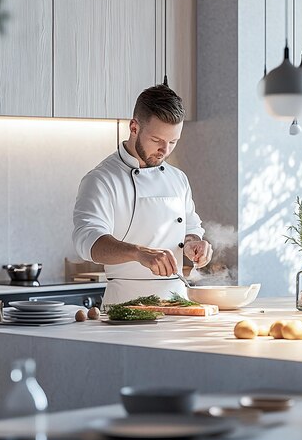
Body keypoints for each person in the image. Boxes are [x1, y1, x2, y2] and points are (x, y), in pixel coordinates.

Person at [72, 84, 213, 305]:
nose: (165, 151)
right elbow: (87, 242)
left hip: (178, 302)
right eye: (157, 141)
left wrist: (194, 243)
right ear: (134, 127)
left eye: (173, 142)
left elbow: (190, 228)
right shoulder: (101, 179)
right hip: (125, 306)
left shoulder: (178, 179)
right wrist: (138, 253)